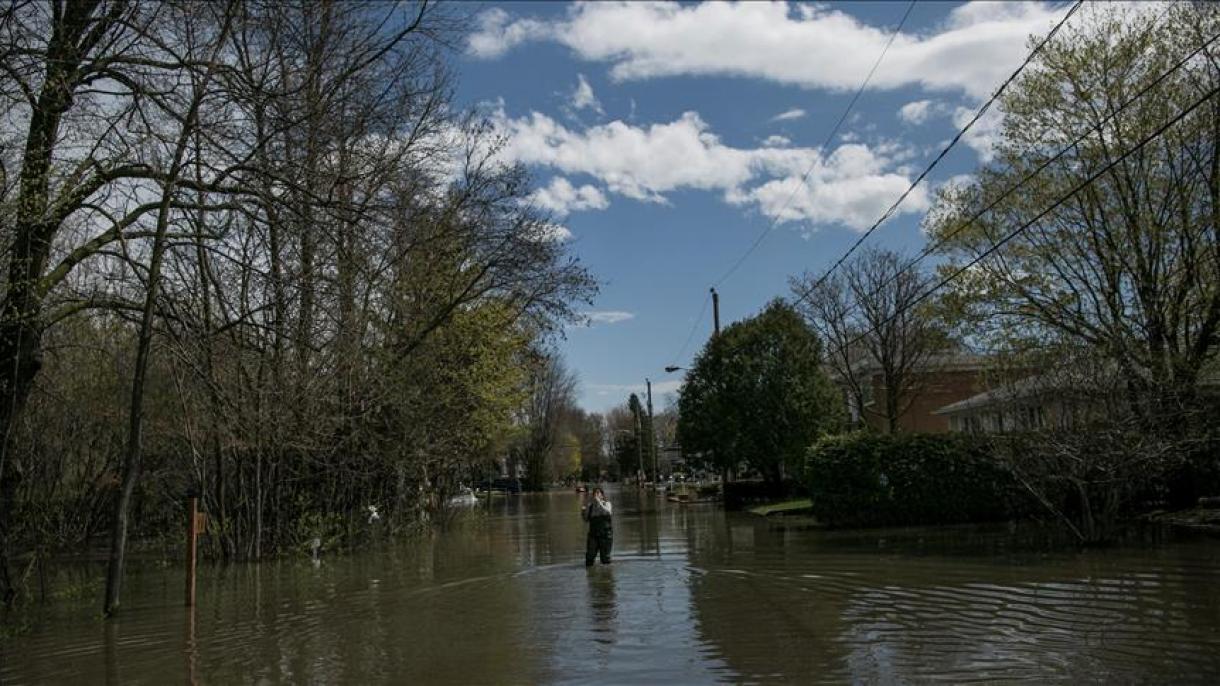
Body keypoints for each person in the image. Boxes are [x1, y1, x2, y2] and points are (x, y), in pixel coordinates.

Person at [581, 487, 613, 566]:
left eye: (598, 493)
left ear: (602, 495)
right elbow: (586, 519)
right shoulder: (590, 506)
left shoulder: (607, 504)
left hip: (605, 534)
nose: (596, 495)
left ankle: (606, 574)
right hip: (593, 534)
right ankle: (590, 574)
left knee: (605, 558)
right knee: (589, 557)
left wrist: (599, 502)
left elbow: (608, 512)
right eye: (594, 493)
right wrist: (583, 512)